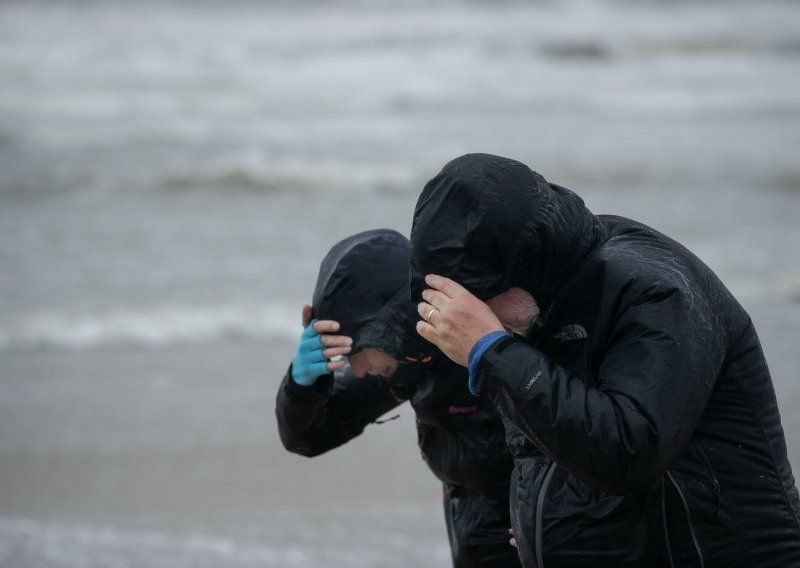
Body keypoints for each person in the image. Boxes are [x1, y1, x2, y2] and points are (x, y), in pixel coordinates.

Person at [409, 153, 800, 567]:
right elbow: (555, 446)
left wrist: (490, 351)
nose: (476, 316)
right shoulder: (546, 298)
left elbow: (627, 453)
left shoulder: (654, 291)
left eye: (479, 299)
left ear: (525, 264)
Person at [275, 229, 521, 567]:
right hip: (473, 526)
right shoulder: (406, 362)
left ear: (387, 327)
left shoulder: (498, 335)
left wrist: (548, 523)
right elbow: (307, 438)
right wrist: (304, 387)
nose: (355, 371)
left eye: (352, 350)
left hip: (539, 532)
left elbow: (584, 434)